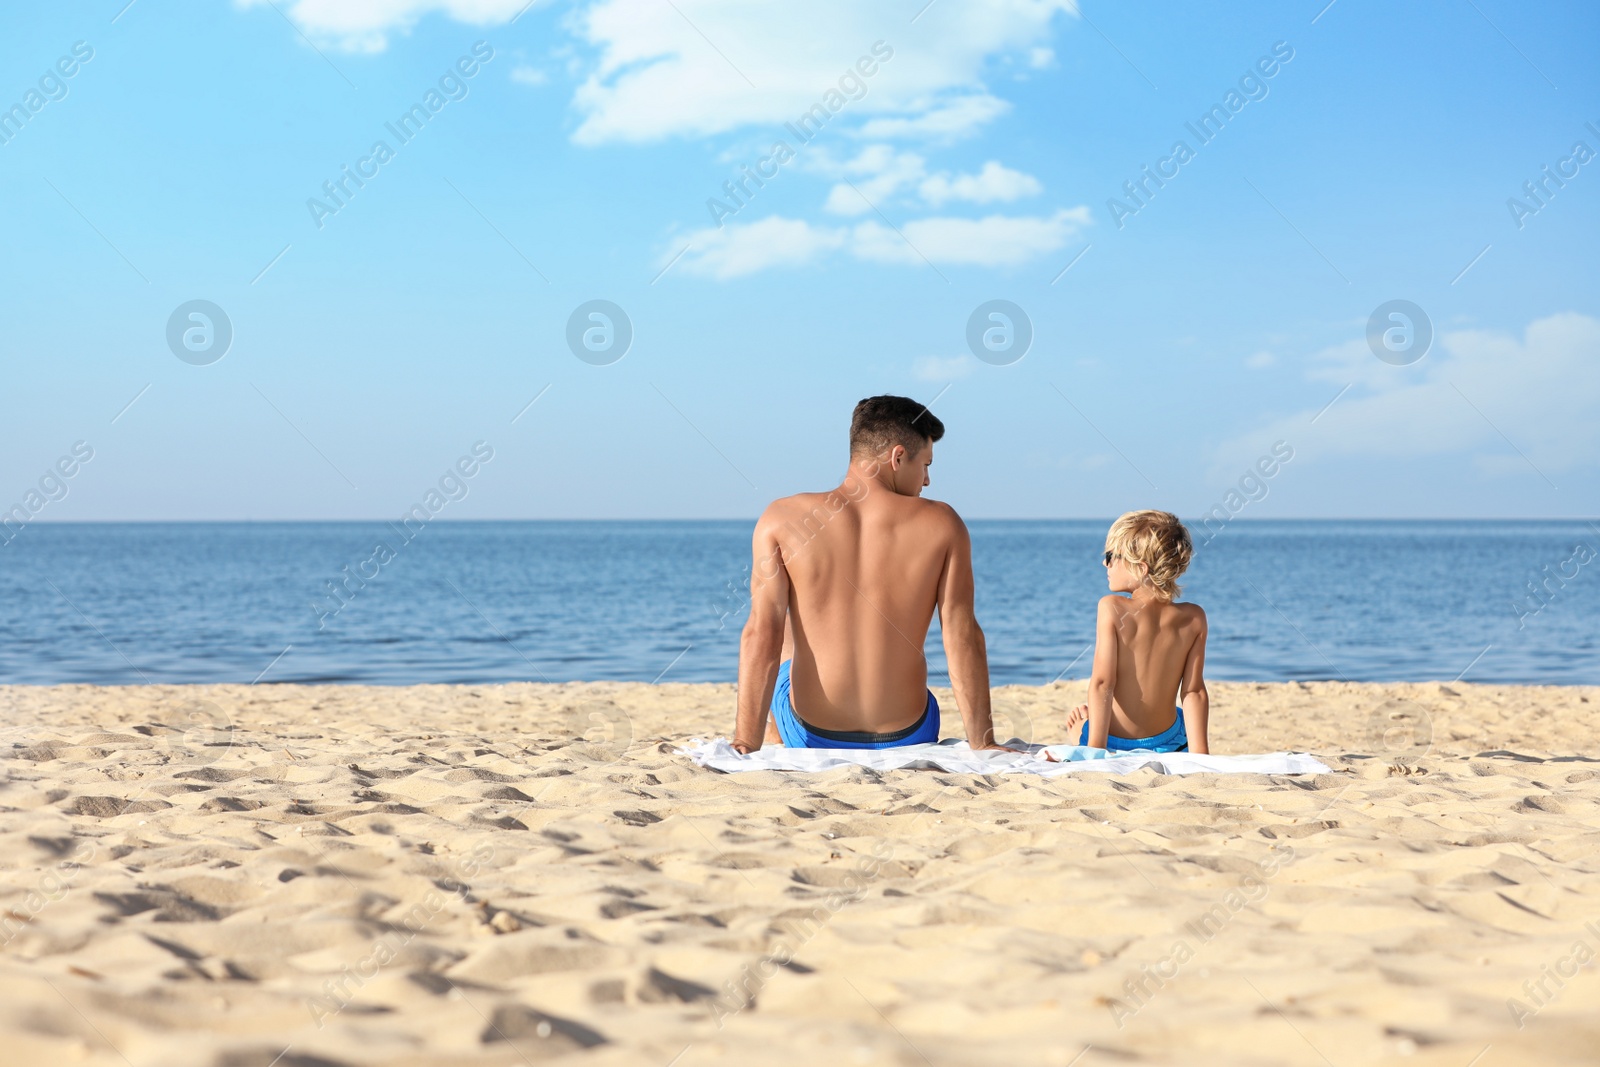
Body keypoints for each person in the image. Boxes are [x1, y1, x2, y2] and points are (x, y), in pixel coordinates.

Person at [731, 395, 1005, 753]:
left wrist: (743, 745)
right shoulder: (944, 524)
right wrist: (983, 744)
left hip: (809, 733)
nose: (926, 481)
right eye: (925, 465)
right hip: (908, 734)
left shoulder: (781, 518)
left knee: (781, 632)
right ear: (897, 457)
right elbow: (962, 636)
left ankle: (768, 735)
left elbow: (759, 634)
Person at [1063, 510, 1210, 754]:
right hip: (1169, 742)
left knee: (1081, 726)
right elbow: (1193, 691)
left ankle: (1082, 733)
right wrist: (1200, 757)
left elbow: (1102, 683)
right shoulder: (1194, 618)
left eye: (1111, 556)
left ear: (1140, 569)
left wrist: (1095, 751)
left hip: (1113, 740)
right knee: (1180, 717)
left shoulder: (1111, 608)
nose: (1105, 563)